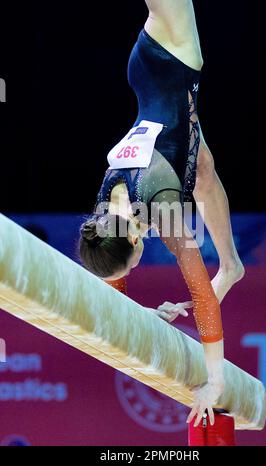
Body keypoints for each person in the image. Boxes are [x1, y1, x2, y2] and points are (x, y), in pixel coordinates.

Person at [79, 0, 244, 427]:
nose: (136, 262)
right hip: (151, 87)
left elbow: (202, 295)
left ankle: (229, 265)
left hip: (173, 56)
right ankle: (232, 264)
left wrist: (215, 381)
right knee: (202, 170)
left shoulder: (162, 206)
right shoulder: (104, 218)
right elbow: (113, 279)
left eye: (136, 258)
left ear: (136, 238)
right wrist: (141, 315)